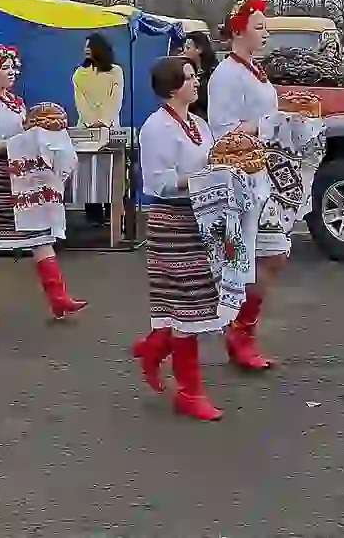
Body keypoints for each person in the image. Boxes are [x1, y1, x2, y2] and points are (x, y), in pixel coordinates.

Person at [0, 44, 87, 320]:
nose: (11, 73)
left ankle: (58, 297)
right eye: (5, 68)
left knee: (39, 232)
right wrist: (22, 142)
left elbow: (26, 132)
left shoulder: (16, 102)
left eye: (12, 68)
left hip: (21, 174)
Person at [132, 56, 224, 421]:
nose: (196, 81)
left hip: (204, 218)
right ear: (172, 86)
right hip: (172, 222)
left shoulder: (199, 123)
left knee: (200, 300)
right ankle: (190, 392)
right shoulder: (156, 128)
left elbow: (214, 159)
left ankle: (154, 348)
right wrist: (204, 176)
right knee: (188, 304)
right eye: (189, 77)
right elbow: (158, 182)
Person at [206, 0, 284, 371]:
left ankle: (241, 329)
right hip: (242, 178)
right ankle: (234, 330)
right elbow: (223, 133)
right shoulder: (226, 75)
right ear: (239, 31)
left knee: (273, 255)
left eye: (266, 26)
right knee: (250, 258)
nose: (266, 32)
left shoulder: (255, 70)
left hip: (266, 171)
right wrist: (269, 125)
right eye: (259, 26)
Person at [72, 33, 124, 224]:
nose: (86, 50)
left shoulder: (116, 72)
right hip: (85, 130)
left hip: (110, 129)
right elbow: (81, 102)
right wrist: (90, 122)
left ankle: (113, 213)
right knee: (88, 171)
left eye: (90, 46)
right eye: (85, 46)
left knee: (111, 171)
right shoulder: (79, 74)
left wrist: (104, 121)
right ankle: (93, 214)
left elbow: (115, 99)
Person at [180, 31, 217, 120]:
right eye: (183, 48)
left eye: (188, 48)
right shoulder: (188, 70)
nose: (184, 51)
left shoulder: (213, 73)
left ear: (199, 49)